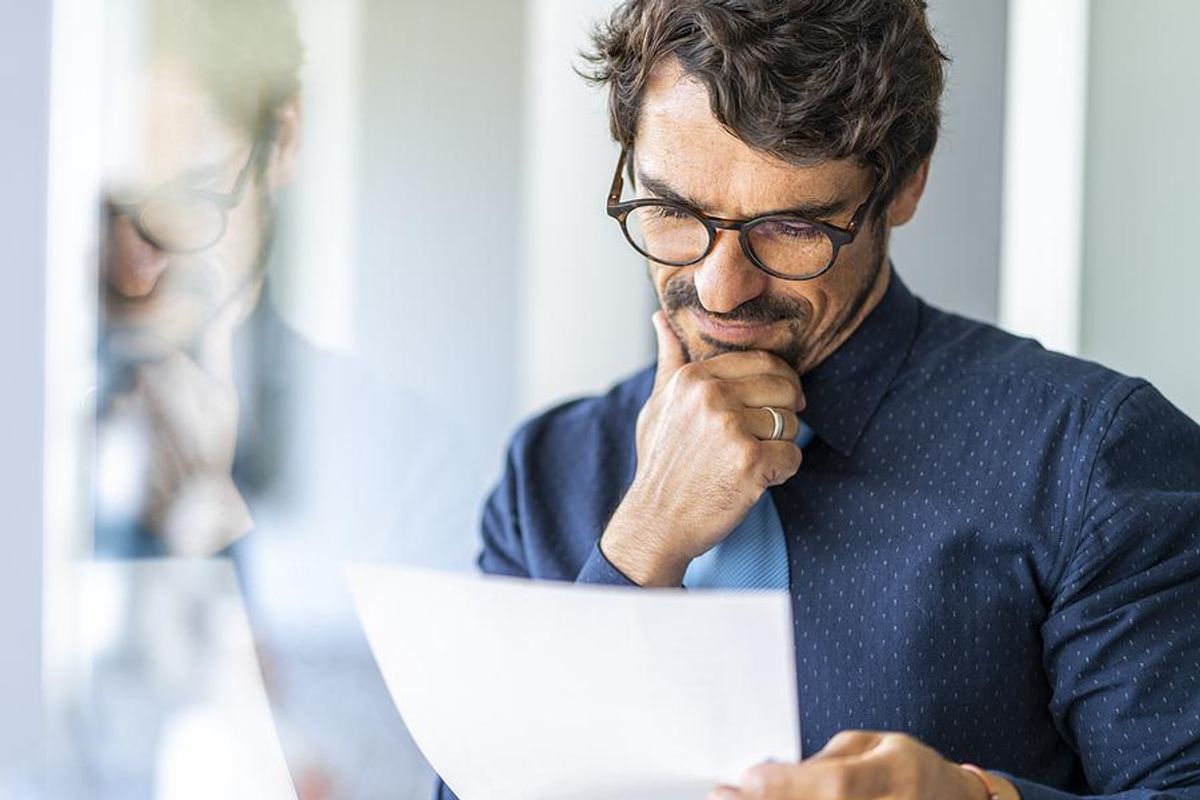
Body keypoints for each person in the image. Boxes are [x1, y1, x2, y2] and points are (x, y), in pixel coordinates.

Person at [437, 1, 1200, 799]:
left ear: (905, 185)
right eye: (669, 211)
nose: (720, 287)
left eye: (791, 228)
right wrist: (639, 548)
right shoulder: (547, 473)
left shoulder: (1091, 460)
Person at [93, 1, 470, 796]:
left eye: (186, 158)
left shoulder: (406, 459)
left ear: (282, 139)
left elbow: (443, 766)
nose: (138, 239)